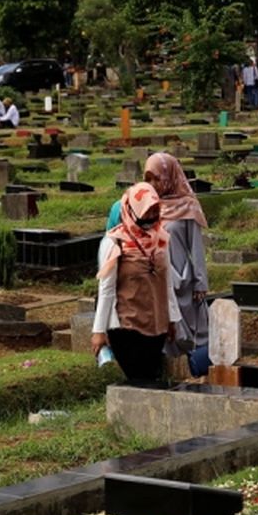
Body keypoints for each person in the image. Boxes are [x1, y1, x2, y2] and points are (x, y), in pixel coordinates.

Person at [91, 183, 180, 384]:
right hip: (126, 325)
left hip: (156, 323)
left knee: (151, 376)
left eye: (155, 212)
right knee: (137, 377)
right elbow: (106, 290)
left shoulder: (161, 239)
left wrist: (171, 319)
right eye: (147, 212)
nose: (151, 218)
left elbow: (166, 282)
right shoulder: (114, 243)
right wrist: (98, 332)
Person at [144, 152, 211, 377]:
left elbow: (196, 247)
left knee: (189, 329)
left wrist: (200, 282)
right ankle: (170, 372)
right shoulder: (147, 205)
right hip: (157, 276)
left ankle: (195, 370)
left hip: (182, 278)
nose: (153, 184)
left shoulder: (187, 206)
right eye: (148, 179)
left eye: (157, 178)